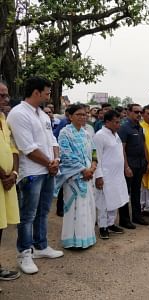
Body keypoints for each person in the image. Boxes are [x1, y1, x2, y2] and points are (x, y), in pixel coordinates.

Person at [7, 76, 63, 274]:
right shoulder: (18, 114)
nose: (49, 96)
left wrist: (55, 160)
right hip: (32, 172)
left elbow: (52, 140)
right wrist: (50, 163)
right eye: (47, 92)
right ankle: (24, 253)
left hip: (48, 170)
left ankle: (41, 246)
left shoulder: (42, 114)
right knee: (28, 215)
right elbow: (27, 148)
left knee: (43, 211)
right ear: (36, 92)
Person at [56, 104, 97, 249]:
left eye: (84, 114)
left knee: (87, 206)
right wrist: (82, 170)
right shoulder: (65, 133)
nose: (83, 117)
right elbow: (66, 156)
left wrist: (92, 167)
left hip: (88, 174)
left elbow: (93, 151)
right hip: (74, 176)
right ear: (70, 116)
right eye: (79, 114)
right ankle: (73, 240)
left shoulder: (86, 133)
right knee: (74, 207)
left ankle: (86, 238)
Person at [93, 110, 128, 239]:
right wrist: (98, 176)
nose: (119, 125)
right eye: (116, 122)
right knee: (103, 201)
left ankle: (111, 223)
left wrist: (125, 168)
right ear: (107, 122)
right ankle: (103, 226)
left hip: (117, 175)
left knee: (115, 199)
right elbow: (96, 157)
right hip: (105, 175)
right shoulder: (100, 135)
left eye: (119, 122)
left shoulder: (116, 135)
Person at [0, 81, 20, 281]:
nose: (6, 99)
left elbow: (13, 149)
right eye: (1, 96)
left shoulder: (3, 120)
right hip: (1, 180)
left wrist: (13, 174)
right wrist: (2, 174)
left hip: (6, 183)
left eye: (6, 95)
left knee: (0, 226)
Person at [118, 104, 149, 228]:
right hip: (129, 165)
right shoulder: (124, 128)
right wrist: (126, 166)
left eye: (140, 112)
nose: (139, 114)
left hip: (140, 164)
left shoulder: (140, 127)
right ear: (128, 112)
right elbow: (122, 149)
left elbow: (144, 146)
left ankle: (137, 216)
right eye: (136, 112)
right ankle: (124, 220)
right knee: (125, 192)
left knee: (137, 191)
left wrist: (147, 162)